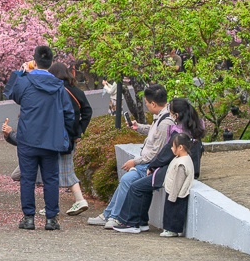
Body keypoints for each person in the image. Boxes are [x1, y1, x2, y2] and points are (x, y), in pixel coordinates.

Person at [3, 46, 77, 232]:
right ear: (51, 63)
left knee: (27, 179)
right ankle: (51, 219)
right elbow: (69, 114)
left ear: (34, 61)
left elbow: (10, 92)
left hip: (27, 138)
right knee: (51, 179)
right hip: (51, 140)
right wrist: (65, 135)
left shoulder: (25, 83)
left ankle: (29, 218)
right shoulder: (59, 87)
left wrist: (21, 71)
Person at [113, 98, 205, 234]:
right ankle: (141, 222)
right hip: (186, 169)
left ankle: (131, 222)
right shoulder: (195, 128)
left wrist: (152, 166)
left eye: (171, 111)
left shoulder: (178, 132)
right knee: (142, 187)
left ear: (176, 115)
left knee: (136, 187)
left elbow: (166, 154)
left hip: (171, 170)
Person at [87, 83, 171, 229]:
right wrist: (139, 127)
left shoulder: (165, 122)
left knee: (126, 180)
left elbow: (155, 152)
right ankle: (109, 215)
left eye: (146, 103)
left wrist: (135, 161)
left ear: (153, 103)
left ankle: (114, 217)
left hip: (150, 165)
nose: (146, 106)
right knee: (125, 180)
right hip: (147, 163)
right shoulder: (161, 117)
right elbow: (154, 132)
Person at [48, 62, 92, 215]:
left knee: (59, 171)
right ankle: (53, 204)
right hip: (71, 137)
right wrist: (79, 131)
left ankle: (78, 200)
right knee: (63, 169)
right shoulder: (76, 91)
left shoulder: (55, 91)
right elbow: (87, 111)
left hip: (57, 137)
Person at [160, 134, 195, 237]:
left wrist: (173, 196)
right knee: (169, 211)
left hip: (177, 194)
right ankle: (168, 228)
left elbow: (178, 181)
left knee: (174, 211)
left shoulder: (182, 163)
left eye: (173, 146)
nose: (171, 148)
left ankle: (172, 229)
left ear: (180, 147)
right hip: (172, 191)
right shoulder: (181, 158)